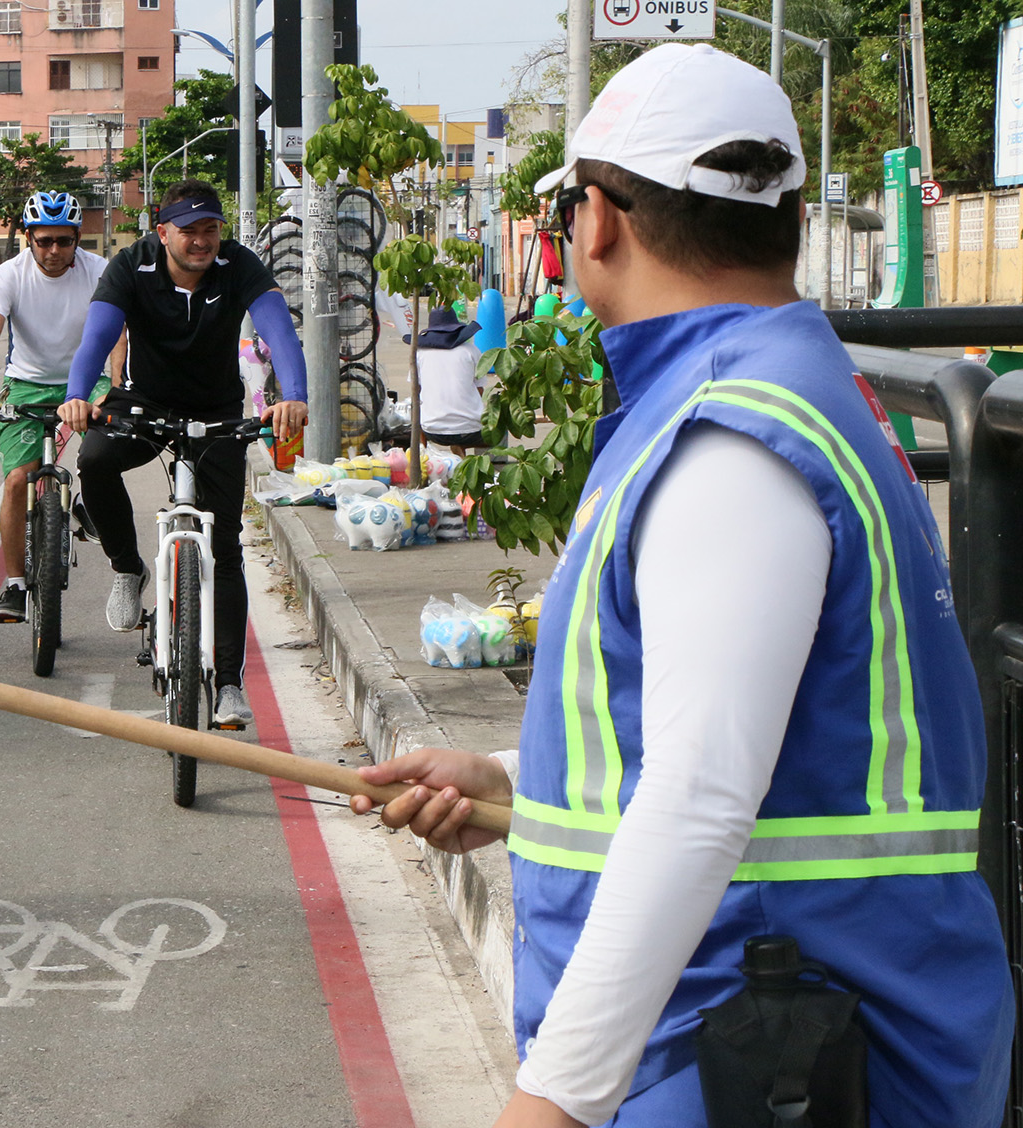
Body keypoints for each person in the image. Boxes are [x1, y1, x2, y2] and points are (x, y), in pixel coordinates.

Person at [349, 45, 1011, 1127]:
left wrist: (548, 1105)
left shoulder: (731, 437)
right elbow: (774, 740)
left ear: (597, 222)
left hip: (758, 1050)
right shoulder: (785, 395)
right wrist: (520, 786)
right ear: (790, 219)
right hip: (790, 1027)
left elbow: (702, 795)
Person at [59, 179, 308, 727]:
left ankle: (228, 684)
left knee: (225, 546)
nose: (202, 241)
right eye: (189, 230)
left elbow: (279, 334)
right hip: (145, 402)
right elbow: (97, 337)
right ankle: (127, 569)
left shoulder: (239, 266)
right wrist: (78, 396)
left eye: (211, 230)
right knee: (95, 461)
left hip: (217, 410)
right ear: (162, 231)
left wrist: (294, 397)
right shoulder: (131, 265)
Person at [0, 191, 123, 623]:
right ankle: (16, 585)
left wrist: (117, 382)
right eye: (44, 241)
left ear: (78, 238)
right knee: (18, 480)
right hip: (27, 384)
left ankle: (89, 502)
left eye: (64, 241)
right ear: (29, 238)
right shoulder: (8, 276)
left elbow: (119, 332)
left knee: (107, 451)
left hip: (88, 381)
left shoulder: (100, 272)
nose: (54, 251)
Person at [406, 304, 485, 451]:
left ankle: (424, 454)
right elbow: (480, 390)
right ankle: (487, 462)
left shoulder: (419, 354)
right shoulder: (472, 351)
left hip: (432, 430)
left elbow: (416, 391)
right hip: (471, 431)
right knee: (497, 420)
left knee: (416, 410)